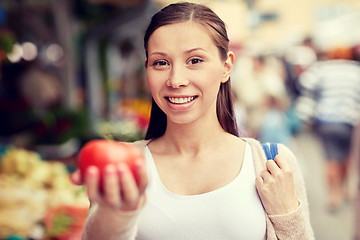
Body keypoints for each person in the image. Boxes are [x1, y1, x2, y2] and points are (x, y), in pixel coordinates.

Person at [71, 2, 314, 239]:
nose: (176, 80)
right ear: (147, 70)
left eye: (194, 61)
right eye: (161, 63)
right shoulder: (123, 166)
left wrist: (286, 215)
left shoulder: (273, 163)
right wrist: (114, 213)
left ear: (226, 67)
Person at [297, 46, 360, 212]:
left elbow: (304, 83)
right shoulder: (356, 70)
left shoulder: (322, 69)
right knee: (346, 157)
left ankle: (334, 195)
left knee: (330, 159)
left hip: (326, 121)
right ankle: (345, 188)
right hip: (350, 121)